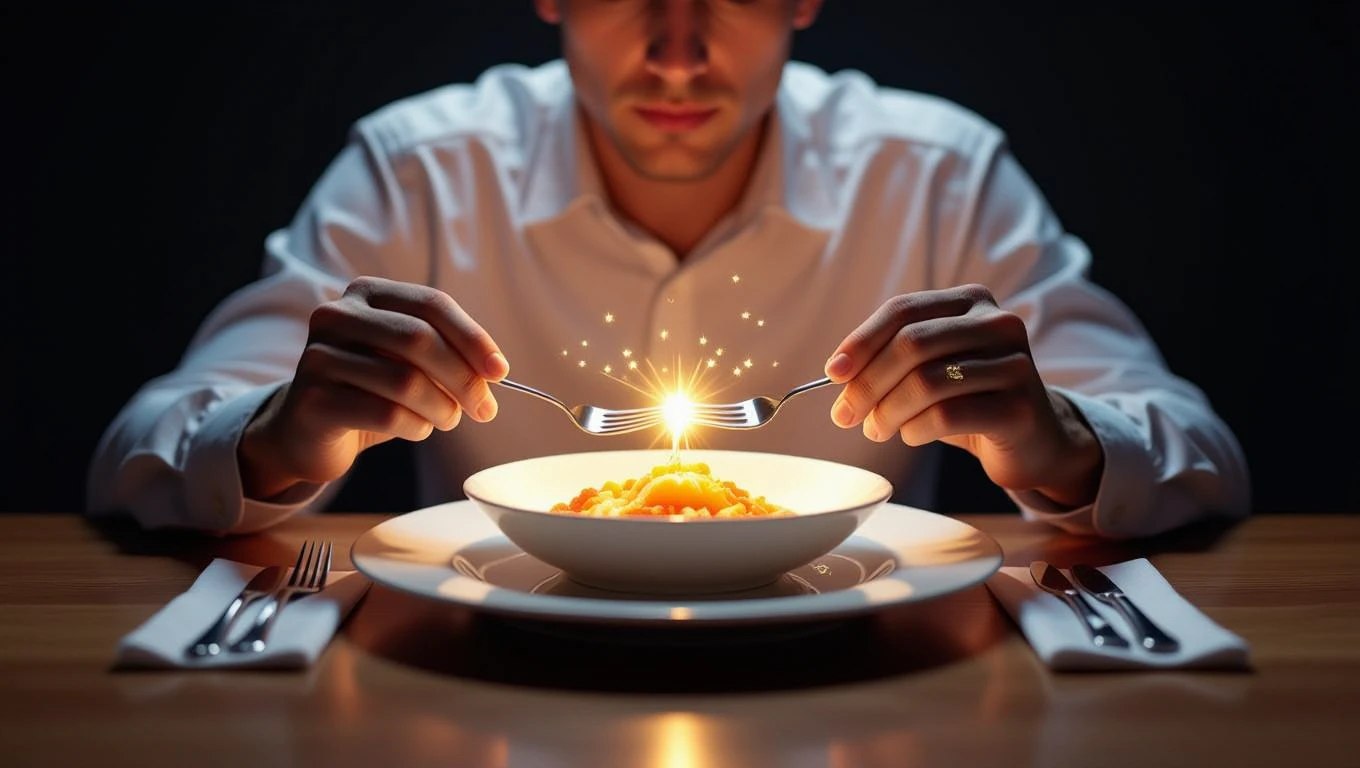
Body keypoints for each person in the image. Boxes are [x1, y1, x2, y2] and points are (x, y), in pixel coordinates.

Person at [87, 0, 1250, 538]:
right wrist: (280, 434)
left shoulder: (935, 172)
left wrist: (1058, 440)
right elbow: (133, 456)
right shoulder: (423, 169)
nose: (678, 49)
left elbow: (1197, 452)